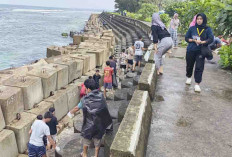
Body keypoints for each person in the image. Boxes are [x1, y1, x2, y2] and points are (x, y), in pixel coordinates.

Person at [68, 79, 112, 157]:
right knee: (97, 141)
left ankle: (84, 154)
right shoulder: (101, 96)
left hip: (88, 125)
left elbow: (76, 108)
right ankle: (96, 155)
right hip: (99, 125)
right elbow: (105, 109)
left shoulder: (84, 100)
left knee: (86, 140)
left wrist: (70, 113)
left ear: (88, 89)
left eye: (86, 88)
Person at [185, 13, 214, 92]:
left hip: (201, 51)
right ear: (196, 19)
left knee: (199, 67)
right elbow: (186, 38)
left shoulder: (207, 29)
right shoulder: (192, 28)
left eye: (201, 19)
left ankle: (197, 84)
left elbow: (211, 39)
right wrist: (194, 40)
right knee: (189, 65)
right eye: (198, 19)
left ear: (203, 20)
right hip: (191, 50)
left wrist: (203, 42)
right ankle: (189, 76)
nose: (199, 20)